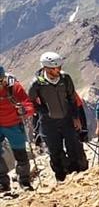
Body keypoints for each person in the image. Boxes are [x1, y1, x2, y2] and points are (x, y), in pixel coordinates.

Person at [28, 51, 88, 182]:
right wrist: (43, 110)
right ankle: (62, 178)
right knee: (55, 152)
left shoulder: (65, 78)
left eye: (59, 67)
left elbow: (72, 98)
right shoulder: (37, 84)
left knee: (75, 147)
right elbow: (30, 101)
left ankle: (80, 173)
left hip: (67, 119)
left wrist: (76, 117)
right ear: (46, 68)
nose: (59, 70)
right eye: (56, 68)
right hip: (48, 123)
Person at [0, 64, 35, 194]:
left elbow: (29, 104)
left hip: (13, 124)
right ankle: (3, 183)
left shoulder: (14, 87)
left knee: (20, 153)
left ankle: (24, 181)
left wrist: (24, 110)